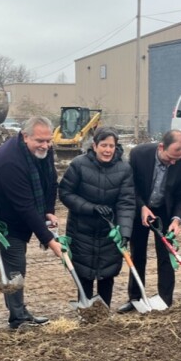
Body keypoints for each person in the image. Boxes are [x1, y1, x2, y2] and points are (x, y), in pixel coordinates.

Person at [0, 115, 63, 329]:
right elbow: (25, 207)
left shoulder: (43, 150)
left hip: (22, 210)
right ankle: (17, 318)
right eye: (39, 141)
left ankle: (19, 313)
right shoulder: (10, 161)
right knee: (16, 266)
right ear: (25, 136)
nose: (45, 145)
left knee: (17, 266)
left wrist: (48, 210)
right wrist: (50, 241)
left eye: (48, 140)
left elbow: (50, 180)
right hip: (4, 219)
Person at [58, 127, 135, 306]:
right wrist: (91, 208)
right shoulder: (79, 164)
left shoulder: (124, 169)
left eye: (111, 146)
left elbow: (127, 202)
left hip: (109, 231)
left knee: (107, 275)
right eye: (103, 145)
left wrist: (124, 231)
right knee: (84, 273)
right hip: (81, 229)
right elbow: (65, 193)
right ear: (95, 145)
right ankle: (85, 312)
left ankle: (103, 315)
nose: (107, 150)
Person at [118, 130, 181, 312]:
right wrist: (141, 206)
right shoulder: (139, 154)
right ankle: (135, 297)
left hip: (165, 211)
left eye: (178, 158)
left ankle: (165, 299)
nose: (173, 162)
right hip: (141, 208)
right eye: (170, 158)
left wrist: (176, 220)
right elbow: (130, 185)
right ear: (161, 147)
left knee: (165, 255)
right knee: (138, 254)